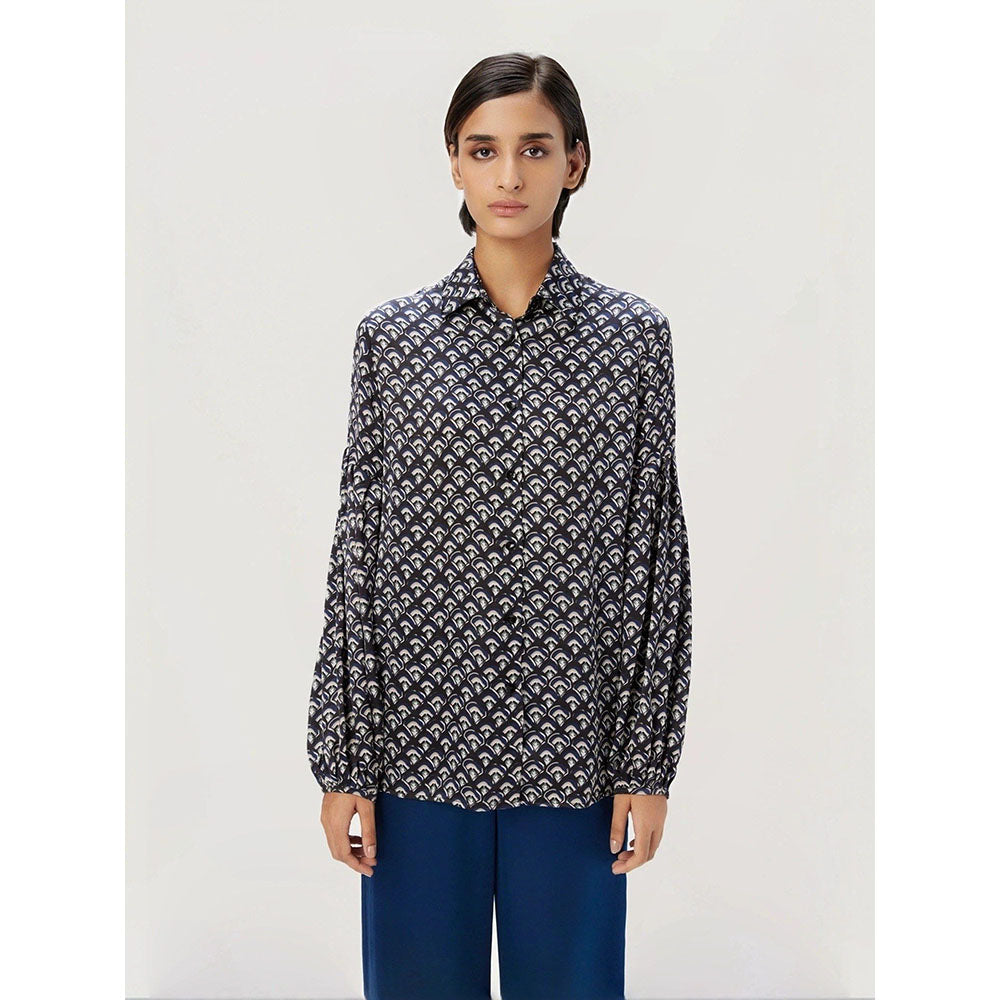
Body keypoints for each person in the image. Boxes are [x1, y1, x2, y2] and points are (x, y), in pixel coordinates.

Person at [307, 51, 693, 1000]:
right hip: (415, 753)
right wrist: (343, 757)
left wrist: (648, 763)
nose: (509, 175)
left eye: (535, 148)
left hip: (575, 757)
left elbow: (655, 556)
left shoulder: (631, 341)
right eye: (483, 150)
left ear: (576, 162)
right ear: (454, 162)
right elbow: (359, 551)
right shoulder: (395, 341)